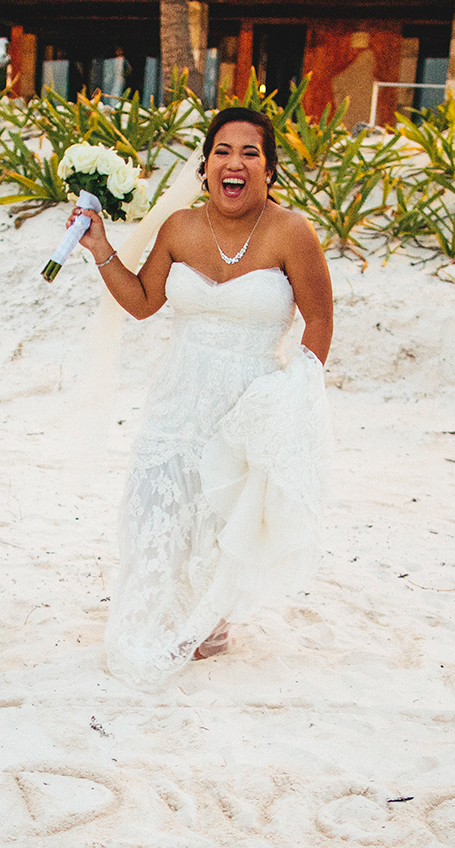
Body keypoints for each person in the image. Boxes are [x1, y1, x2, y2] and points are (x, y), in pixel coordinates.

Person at [69, 106, 334, 689]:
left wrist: (297, 394)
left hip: (249, 402)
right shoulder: (180, 228)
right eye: (222, 151)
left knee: (222, 513)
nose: (234, 163)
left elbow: (319, 320)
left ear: (269, 169)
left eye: (250, 153)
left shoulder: (292, 232)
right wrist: (100, 247)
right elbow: (143, 303)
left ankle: (209, 619)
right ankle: (160, 611)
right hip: (177, 396)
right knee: (156, 507)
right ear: (206, 165)